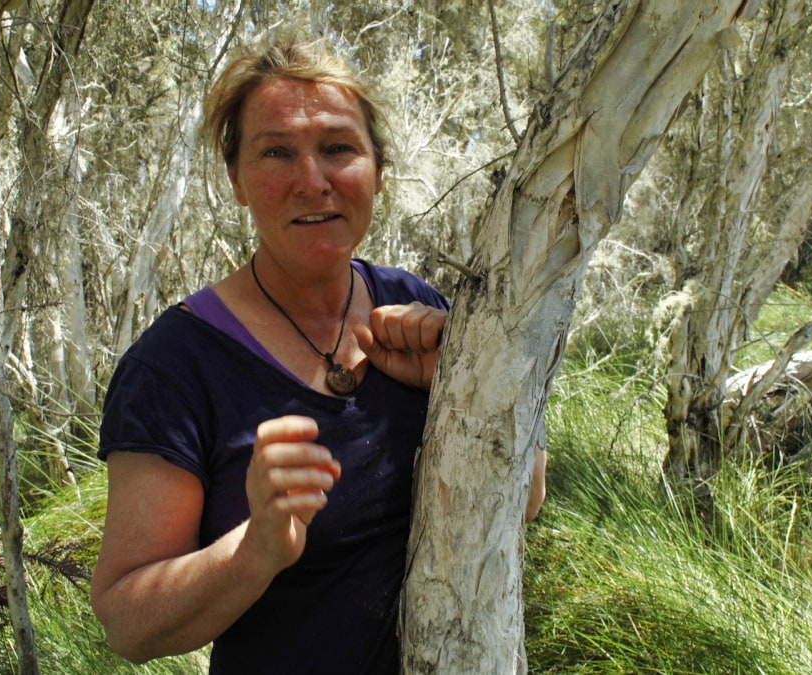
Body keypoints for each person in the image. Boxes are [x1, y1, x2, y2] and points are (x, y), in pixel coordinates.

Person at [90, 40, 546, 674]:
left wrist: (472, 394)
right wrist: (256, 549)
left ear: (377, 172)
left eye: (338, 148)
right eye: (276, 151)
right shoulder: (176, 364)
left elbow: (521, 502)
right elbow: (126, 624)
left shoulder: (419, 307)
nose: (312, 181)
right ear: (237, 182)